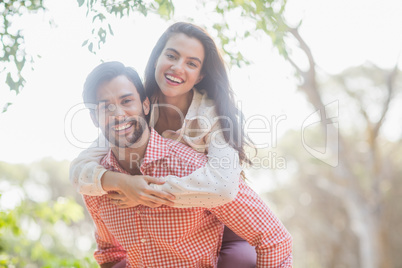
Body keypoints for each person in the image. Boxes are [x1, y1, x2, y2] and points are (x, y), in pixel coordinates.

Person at [70, 22, 276, 267]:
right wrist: (122, 182)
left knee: (242, 259)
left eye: (191, 63)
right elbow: (82, 166)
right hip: (175, 215)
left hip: (219, 209)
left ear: (200, 75)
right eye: (171, 56)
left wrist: (147, 193)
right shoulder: (133, 104)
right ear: (157, 58)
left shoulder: (213, 116)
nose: (177, 67)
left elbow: (224, 187)